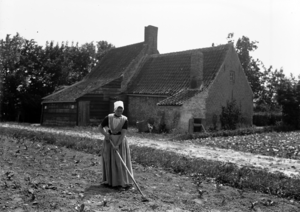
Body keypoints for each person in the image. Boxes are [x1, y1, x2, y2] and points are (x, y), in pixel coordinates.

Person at [99, 101, 133, 191]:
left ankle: (121, 182)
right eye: (118, 110)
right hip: (109, 141)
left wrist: (117, 145)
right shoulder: (109, 117)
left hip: (120, 142)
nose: (119, 112)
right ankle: (110, 182)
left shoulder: (124, 119)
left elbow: (123, 133)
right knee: (109, 160)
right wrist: (106, 135)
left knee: (120, 162)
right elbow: (100, 128)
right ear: (115, 109)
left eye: (121, 110)